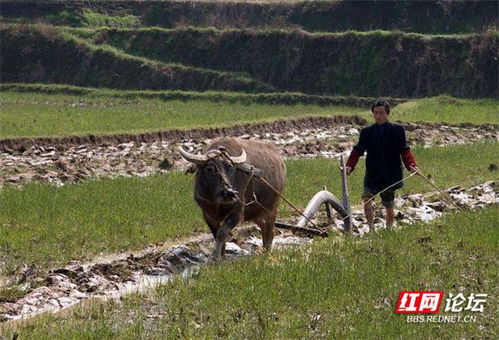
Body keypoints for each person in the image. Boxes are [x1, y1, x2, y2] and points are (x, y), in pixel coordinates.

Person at [345, 100, 419, 232]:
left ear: (387, 113)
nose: (378, 116)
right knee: (367, 197)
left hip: (391, 174)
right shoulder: (366, 132)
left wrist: (412, 165)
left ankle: (388, 230)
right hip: (373, 173)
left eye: (381, 113)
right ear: (373, 114)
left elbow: (404, 150)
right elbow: (358, 150)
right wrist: (350, 165)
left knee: (389, 206)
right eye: (376, 113)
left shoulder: (398, 130)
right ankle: (371, 230)